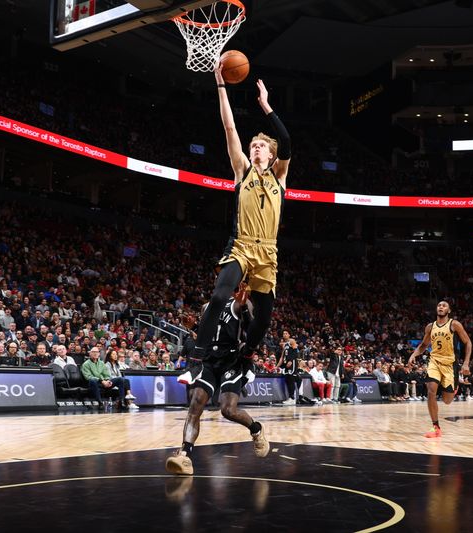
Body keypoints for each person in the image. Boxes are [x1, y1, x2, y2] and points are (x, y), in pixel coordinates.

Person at [182, 67, 291, 387]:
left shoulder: (280, 177)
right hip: (242, 244)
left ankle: (244, 360)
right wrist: (220, 84)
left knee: (265, 318)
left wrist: (266, 106)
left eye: (261, 146)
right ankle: (195, 362)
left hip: (268, 252)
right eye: (253, 145)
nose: (255, 148)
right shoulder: (241, 169)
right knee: (218, 297)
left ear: (272, 156)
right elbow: (229, 125)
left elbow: (285, 140)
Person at [167, 286, 269, 476]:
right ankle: (185, 455)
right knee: (195, 404)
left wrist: (245, 308)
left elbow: (252, 332)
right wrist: (194, 327)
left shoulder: (241, 302)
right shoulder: (207, 307)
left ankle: (256, 428)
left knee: (228, 410)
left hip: (232, 360)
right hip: (209, 361)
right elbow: (208, 333)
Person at [408, 301, 472, 438]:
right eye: (439, 305)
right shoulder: (430, 327)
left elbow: (468, 342)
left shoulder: (454, 324)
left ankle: (454, 388)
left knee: (447, 400)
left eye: (444, 306)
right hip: (434, 361)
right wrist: (413, 354)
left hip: (450, 365)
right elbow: (424, 345)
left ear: (449, 310)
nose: (441, 307)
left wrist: (466, 363)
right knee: (431, 390)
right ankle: (435, 427)